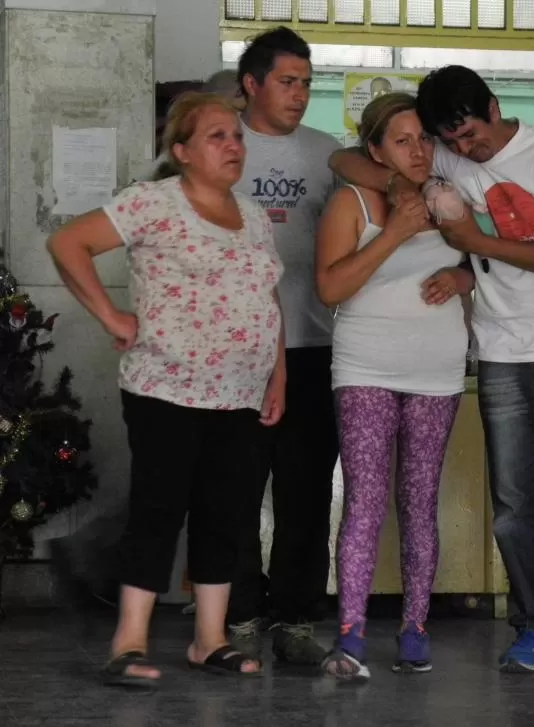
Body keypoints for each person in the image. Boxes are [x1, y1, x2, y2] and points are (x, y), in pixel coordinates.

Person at [330, 65, 534, 674]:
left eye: (471, 137)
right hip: (502, 349)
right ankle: (530, 626)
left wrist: (473, 251)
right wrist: (402, 187)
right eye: (449, 142)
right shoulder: (446, 161)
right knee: (513, 507)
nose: (463, 151)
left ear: (494, 105)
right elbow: (342, 161)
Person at [47, 92, 283, 686]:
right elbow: (67, 243)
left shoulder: (253, 215)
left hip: (239, 390)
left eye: (237, 136)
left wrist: (277, 372)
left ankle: (210, 640)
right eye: (217, 137)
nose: (234, 146)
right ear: (180, 151)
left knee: (223, 515)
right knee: (158, 512)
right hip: (166, 386)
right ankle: (129, 642)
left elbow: (267, 298)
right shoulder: (153, 204)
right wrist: (111, 316)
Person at [317, 92, 474, 680]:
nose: (418, 151)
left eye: (424, 139)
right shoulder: (352, 201)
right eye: (402, 140)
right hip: (365, 367)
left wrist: (463, 274)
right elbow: (329, 289)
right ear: (375, 149)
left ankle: (415, 628)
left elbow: (487, 261)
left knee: (419, 500)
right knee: (364, 500)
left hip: (436, 370)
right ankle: (351, 634)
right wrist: (394, 233)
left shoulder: (449, 202)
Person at [226, 27, 344, 665]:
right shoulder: (220, 144)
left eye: (306, 82)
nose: (300, 94)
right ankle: (239, 610)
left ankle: (296, 613)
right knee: (236, 485)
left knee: (305, 489)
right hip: (235, 350)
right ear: (252, 84)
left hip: (311, 344)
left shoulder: (328, 154)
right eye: (288, 81)